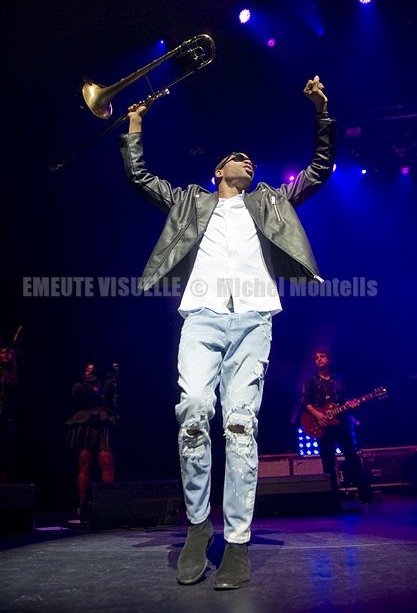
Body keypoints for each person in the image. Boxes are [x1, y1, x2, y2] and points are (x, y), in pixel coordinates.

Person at [118, 75, 336, 589]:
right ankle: (199, 527)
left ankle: (237, 542)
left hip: (254, 319)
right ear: (218, 171)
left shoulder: (271, 202)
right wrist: (135, 125)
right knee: (194, 411)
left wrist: (321, 112)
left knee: (240, 426)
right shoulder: (191, 202)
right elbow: (141, 178)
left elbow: (319, 170)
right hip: (202, 316)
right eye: (237, 158)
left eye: (250, 160)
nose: (247, 161)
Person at [301, 347, 383, 509]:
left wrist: (351, 404)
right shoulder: (311, 381)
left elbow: (345, 400)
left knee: (353, 457)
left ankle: (367, 496)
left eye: (322, 356)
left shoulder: (339, 381)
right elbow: (305, 401)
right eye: (316, 357)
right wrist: (318, 415)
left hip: (340, 425)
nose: (319, 359)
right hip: (322, 426)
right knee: (328, 462)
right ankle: (333, 499)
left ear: (329, 360)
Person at [66, 361, 117, 515]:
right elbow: (81, 393)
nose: (91, 372)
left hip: (103, 422)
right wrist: (91, 382)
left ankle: (108, 506)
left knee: (106, 463)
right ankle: (82, 506)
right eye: (88, 370)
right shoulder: (80, 386)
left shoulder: (106, 385)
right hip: (86, 424)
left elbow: (108, 394)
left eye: (94, 370)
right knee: (85, 464)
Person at [0, 326, 24, 483]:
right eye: (2, 352)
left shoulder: (16, 375)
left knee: (5, 457)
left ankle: (2, 492)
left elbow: (23, 365)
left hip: (8, 419)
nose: (6, 353)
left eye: (10, 353)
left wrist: (16, 345)